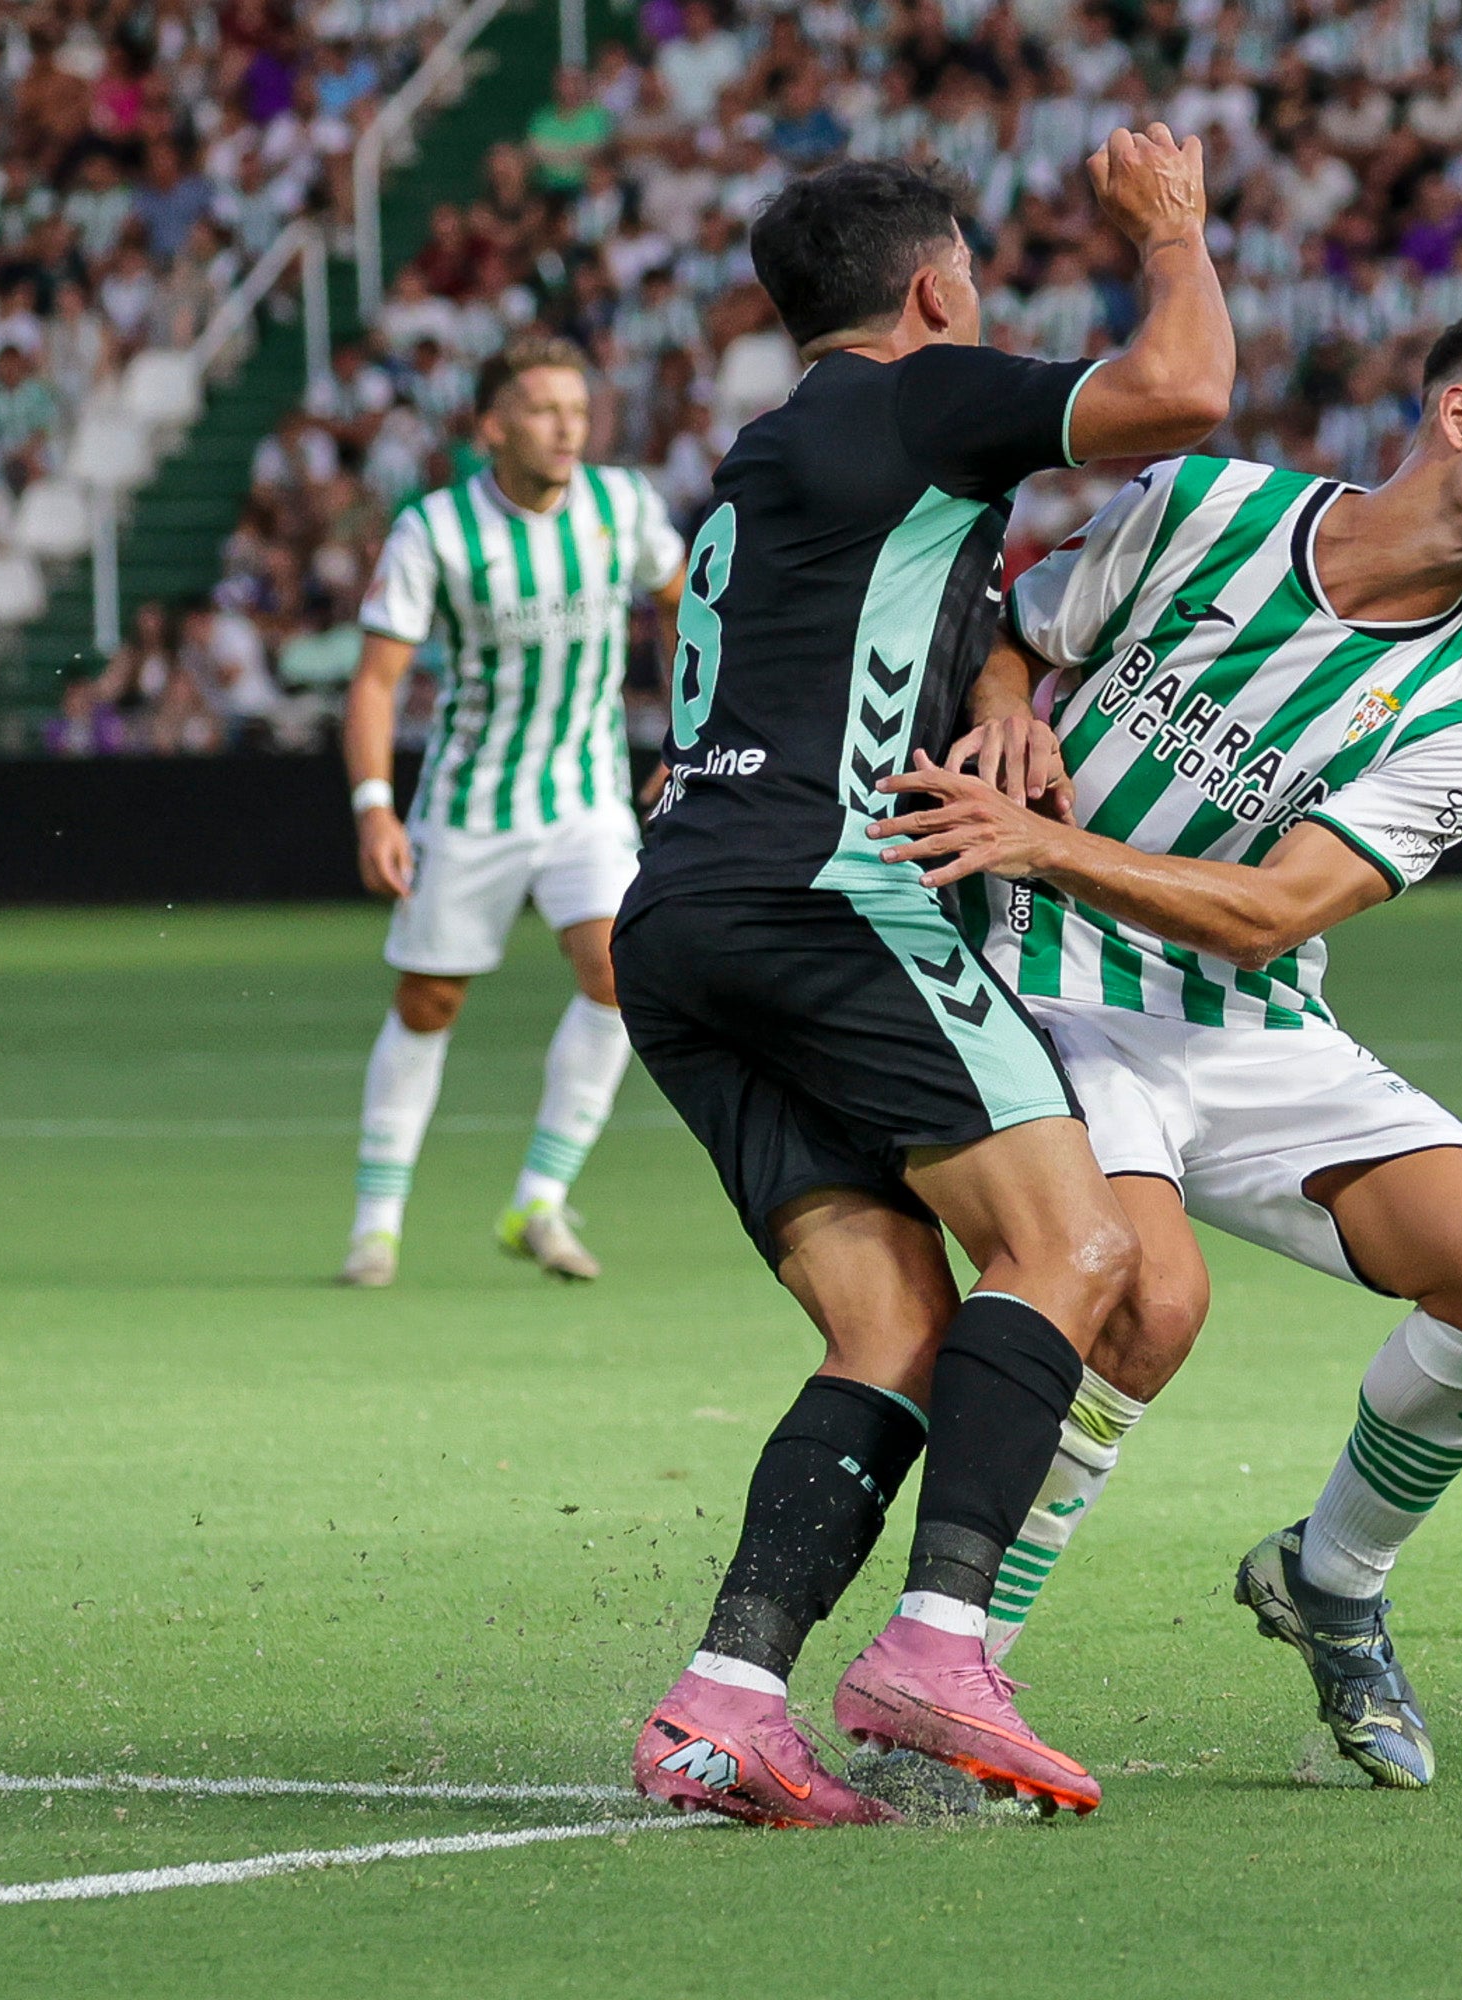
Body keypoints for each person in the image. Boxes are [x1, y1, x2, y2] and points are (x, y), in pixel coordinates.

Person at [866, 307, 1462, 1789]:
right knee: (1147, 1301)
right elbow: (1016, 641)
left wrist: (1041, 835)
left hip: (1244, 1015)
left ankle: (1332, 1579)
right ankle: (950, 1685)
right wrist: (1002, 710)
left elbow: (1275, 912)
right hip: (1043, 973)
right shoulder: (1202, 503)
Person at [616, 138, 1232, 1827]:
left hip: (688, 918)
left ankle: (728, 1696)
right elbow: (1183, 389)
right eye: (972, 275)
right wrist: (1171, 234)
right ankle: (939, 1643)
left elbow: (917, 617)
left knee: (894, 1326)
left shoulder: (769, 452)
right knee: (1076, 1246)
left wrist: (1008, 674)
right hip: (832, 893)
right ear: (937, 290)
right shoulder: (922, 394)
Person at [337, 333, 689, 1287]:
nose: (567, 427)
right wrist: (377, 809)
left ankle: (540, 1195)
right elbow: (375, 684)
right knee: (429, 1000)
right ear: (493, 426)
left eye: (578, 410)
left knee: (622, 973)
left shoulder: (622, 505)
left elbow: (687, 597)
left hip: (585, 797)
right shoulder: (435, 531)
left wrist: (688, 726)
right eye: (543, 410)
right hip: (470, 802)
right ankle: (377, 1223)